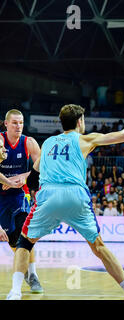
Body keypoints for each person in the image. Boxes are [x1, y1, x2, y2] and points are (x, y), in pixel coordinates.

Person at [6, 105, 124, 300]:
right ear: (80, 121)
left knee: (24, 242)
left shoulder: (47, 143)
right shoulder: (85, 139)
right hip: (75, 195)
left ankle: (14, 292)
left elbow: (33, 178)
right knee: (99, 247)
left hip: (49, 195)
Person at [0, 109, 43, 294]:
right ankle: (23, 266)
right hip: (2, 194)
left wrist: (23, 177)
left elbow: (43, 166)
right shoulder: (0, 142)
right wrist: (7, 181)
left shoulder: (29, 142)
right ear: (6, 124)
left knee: (25, 233)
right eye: (15, 123)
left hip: (19, 194)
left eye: (21, 123)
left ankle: (33, 275)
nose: (19, 126)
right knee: (12, 241)